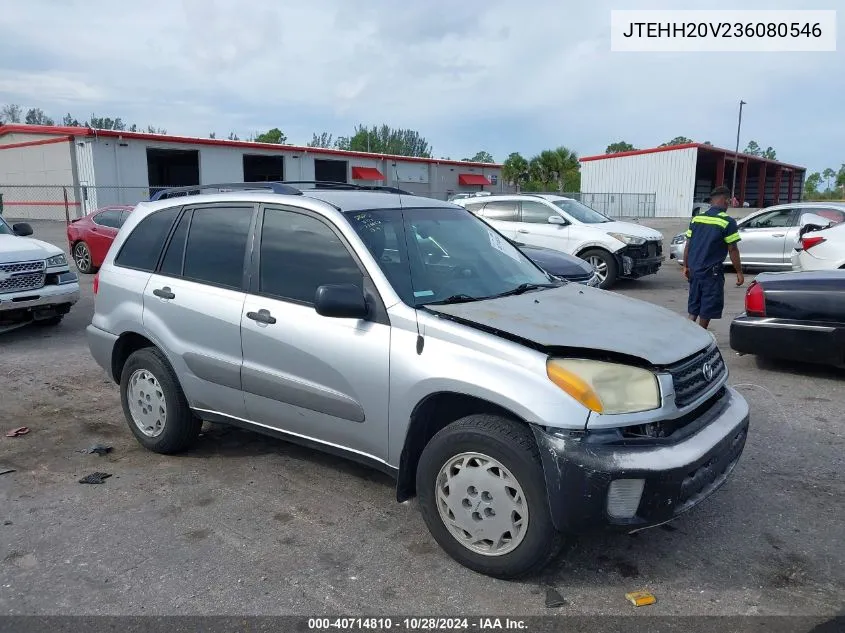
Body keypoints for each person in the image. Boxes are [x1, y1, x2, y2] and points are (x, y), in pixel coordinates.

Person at [682, 185, 744, 330]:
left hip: (695, 271)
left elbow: (688, 245)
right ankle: (700, 337)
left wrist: (686, 266)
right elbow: (733, 249)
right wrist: (739, 272)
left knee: (694, 308)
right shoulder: (728, 221)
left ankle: (688, 334)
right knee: (707, 308)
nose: (729, 204)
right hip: (711, 273)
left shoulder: (697, 219)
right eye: (728, 201)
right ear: (725, 200)